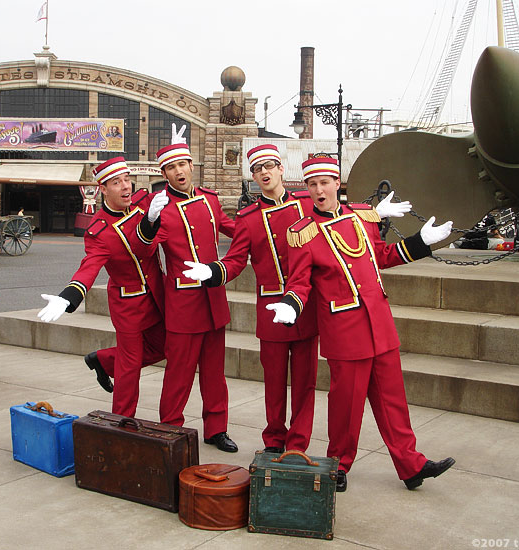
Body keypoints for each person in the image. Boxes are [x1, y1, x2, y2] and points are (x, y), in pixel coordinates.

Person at [267, 156, 456, 491]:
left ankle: (411, 465)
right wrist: (290, 305)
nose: (319, 190)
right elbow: (299, 282)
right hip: (344, 329)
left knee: (393, 401)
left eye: (324, 183)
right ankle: (338, 465)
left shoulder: (362, 218)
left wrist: (420, 242)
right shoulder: (302, 233)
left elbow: (382, 256)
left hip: (379, 324)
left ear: (337, 184)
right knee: (346, 406)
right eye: (312, 185)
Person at [180, 144, 319, 454]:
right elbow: (235, 260)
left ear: (281, 169)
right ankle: (274, 441)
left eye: (270, 165)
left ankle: (297, 444)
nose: (265, 172)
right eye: (258, 169)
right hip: (271, 311)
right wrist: (212, 272)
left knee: (305, 384)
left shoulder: (306, 206)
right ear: (253, 177)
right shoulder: (248, 218)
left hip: (305, 308)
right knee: (274, 383)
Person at [37, 156, 168, 418]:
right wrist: (68, 297)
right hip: (128, 303)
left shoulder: (143, 204)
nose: (125, 187)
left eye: (127, 180)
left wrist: (178, 150)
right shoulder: (99, 231)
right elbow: (90, 266)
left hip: (158, 295)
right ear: (103, 189)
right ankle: (122, 423)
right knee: (129, 370)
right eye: (116, 182)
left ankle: (103, 360)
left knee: (164, 349)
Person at [137, 132, 238, 453]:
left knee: (214, 374)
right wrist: (149, 222)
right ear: (164, 174)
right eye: (171, 168)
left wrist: (272, 233)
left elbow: (234, 229)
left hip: (213, 300)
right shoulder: (162, 208)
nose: (179, 171)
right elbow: (144, 248)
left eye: (183, 164)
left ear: (192, 166)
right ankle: (171, 428)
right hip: (183, 303)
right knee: (179, 374)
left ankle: (216, 429)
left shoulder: (210, 199)